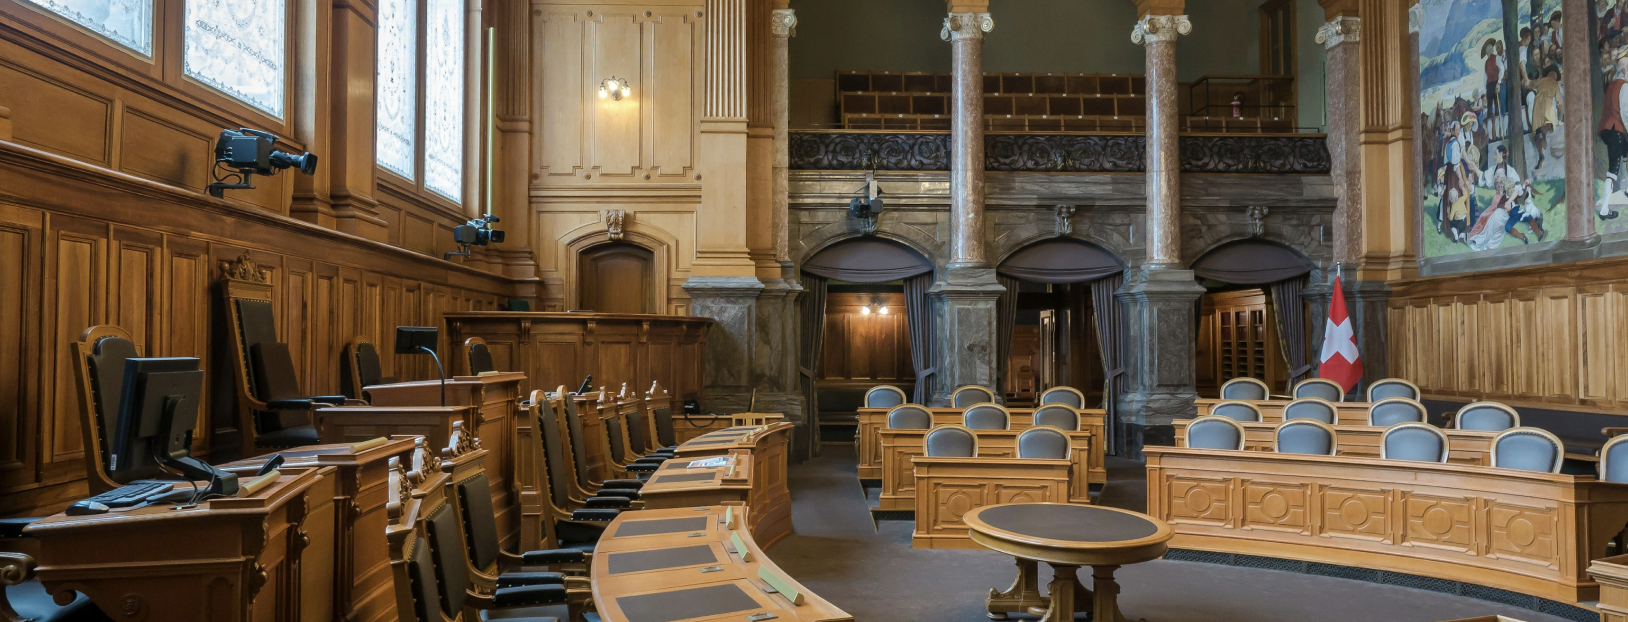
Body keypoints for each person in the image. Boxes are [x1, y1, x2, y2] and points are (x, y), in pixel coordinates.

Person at [1601, 48, 1628, 220]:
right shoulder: (1624, 86)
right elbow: (1625, 112)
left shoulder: (1611, 85)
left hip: (1607, 129)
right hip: (1616, 129)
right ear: (1624, 70)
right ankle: (1604, 209)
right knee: (1613, 171)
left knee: (1625, 156)